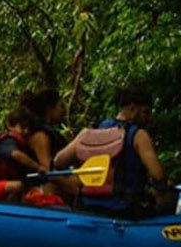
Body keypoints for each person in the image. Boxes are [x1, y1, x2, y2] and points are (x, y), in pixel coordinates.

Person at [54, 88, 171, 217]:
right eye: (146, 112)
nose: (148, 118)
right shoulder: (138, 135)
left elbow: (58, 161)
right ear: (133, 109)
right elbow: (158, 176)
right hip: (124, 212)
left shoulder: (91, 131)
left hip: (87, 209)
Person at [0, 109, 65, 206]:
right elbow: (17, 155)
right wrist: (38, 167)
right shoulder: (8, 141)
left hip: (3, 185)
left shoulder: (23, 146)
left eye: (28, 128)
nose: (26, 131)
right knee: (17, 186)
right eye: (22, 127)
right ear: (10, 126)